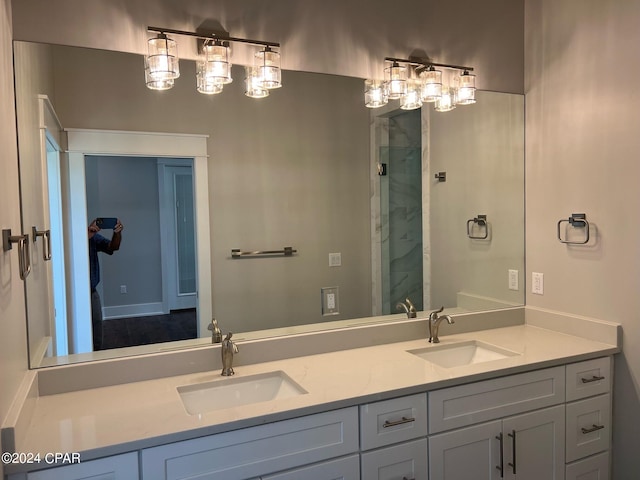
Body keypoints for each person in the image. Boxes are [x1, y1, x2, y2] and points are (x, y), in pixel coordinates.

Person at [88, 218, 123, 350]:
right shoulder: (72, 237)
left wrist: (117, 233)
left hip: (92, 291)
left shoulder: (93, 237)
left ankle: (96, 358)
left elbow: (113, 247)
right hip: (73, 294)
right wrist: (86, 236)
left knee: (97, 331)